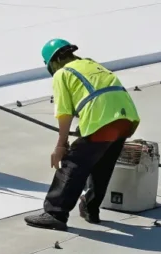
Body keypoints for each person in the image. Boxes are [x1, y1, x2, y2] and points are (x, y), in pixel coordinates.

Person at [24, 39, 140, 231]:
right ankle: (91, 209)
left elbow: (64, 112)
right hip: (126, 119)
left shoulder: (63, 73)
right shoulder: (91, 64)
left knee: (71, 165)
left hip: (103, 121)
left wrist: (61, 145)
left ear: (53, 62)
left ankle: (55, 214)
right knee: (102, 166)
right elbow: (98, 95)